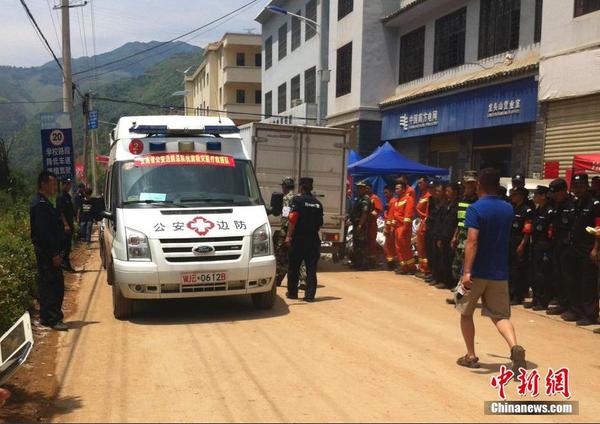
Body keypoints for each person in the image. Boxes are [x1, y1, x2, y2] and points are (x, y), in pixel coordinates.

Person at [455, 167, 526, 373]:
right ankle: (515, 347)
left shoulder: (475, 209)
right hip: (499, 272)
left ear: (479, 186)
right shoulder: (508, 209)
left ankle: (470, 355)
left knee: (466, 313)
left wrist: (467, 272)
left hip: (476, 272)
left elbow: (472, 241)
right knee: (500, 316)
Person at [30, 171, 68, 331]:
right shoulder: (40, 205)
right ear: (43, 184)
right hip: (47, 254)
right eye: (52, 184)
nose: (55, 187)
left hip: (50, 252)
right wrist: (54, 254)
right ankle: (51, 318)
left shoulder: (44, 202)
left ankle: (48, 316)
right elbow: (44, 233)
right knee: (53, 286)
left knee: (50, 285)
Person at [561, 173, 600, 326]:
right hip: (574, 247)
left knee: (588, 282)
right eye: (575, 186)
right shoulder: (575, 203)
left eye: (581, 186)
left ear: (586, 186)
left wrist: (596, 249)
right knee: (574, 280)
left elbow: (598, 228)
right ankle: (576, 310)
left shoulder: (595, 204)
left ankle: (589, 314)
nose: (577, 189)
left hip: (588, 248)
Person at [285, 177, 324, 302]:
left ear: (301, 187)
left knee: (294, 267)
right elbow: (320, 223)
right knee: (311, 268)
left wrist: (289, 236)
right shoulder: (318, 204)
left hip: (298, 239)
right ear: (311, 187)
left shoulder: (297, 201)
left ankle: (292, 293)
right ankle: (309, 295)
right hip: (313, 239)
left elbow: (292, 219)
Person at [546, 178, 575, 316]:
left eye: (556, 193)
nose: (554, 196)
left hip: (568, 246)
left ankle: (570, 306)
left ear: (564, 191)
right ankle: (562, 303)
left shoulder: (572, 204)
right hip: (557, 244)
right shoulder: (557, 204)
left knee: (568, 277)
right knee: (558, 275)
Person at [451, 171, 479, 283]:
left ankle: (463, 293)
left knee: (467, 264)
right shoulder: (462, 199)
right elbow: (460, 221)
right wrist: (455, 236)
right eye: (468, 183)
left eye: (472, 183)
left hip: (472, 235)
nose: (470, 186)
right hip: (462, 235)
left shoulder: (478, 200)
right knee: (457, 264)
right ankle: (459, 290)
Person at [508, 187, 534, 306]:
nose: (512, 197)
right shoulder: (512, 208)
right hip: (510, 240)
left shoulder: (526, 210)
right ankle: (510, 293)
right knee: (510, 269)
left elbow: (527, 229)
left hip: (520, 241)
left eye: (515, 195)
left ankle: (518, 295)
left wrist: (522, 244)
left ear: (521, 196)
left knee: (518, 269)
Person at [529, 186, 553, 311]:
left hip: (544, 246)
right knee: (535, 273)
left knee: (542, 274)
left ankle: (543, 301)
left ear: (543, 196)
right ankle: (536, 299)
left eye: (537, 194)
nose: (534, 197)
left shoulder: (549, 211)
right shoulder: (537, 210)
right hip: (536, 244)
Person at [435, 183, 459, 290]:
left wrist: (455, 236)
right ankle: (445, 281)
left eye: (449, 191)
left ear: (455, 192)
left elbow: (458, 223)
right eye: (446, 191)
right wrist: (439, 237)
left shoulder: (458, 205)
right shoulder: (446, 205)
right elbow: (442, 222)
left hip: (452, 236)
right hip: (444, 235)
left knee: (452, 260)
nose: (447, 193)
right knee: (444, 259)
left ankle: (452, 282)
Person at [274, 177, 296, 286]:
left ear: (285, 187)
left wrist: (285, 233)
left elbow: (286, 215)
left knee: (281, 254)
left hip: (286, 230)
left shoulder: (287, 198)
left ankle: (278, 278)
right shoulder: (296, 197)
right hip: (295, 230)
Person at [394, 181, 416, 275]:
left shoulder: (408, 199)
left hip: (403, 227)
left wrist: (405, 228)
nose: (396, 190)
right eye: (395, 188)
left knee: (405, 248)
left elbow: (408, 215)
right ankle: (403, 266)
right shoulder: (397, 200)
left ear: (403, 189)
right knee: (399, 248)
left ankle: (411, 267)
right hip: (397, 227)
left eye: (398, 188)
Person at [350, 181, 372, 270]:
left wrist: (360, 225)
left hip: (361, 225)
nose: (359, 189)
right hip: (356, 224)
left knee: (361, 245)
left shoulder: (365, 199)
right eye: (358, 187)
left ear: (364, 189)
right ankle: (357, 263)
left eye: (361, 188)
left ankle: (362, 265)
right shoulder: (358, 198)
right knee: (356, 245)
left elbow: (364, 213)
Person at [56, 178, 76, 272]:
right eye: (67, 185)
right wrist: (65, 225)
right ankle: (64, 264)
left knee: (68, 246)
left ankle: (65, 264)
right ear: (63, 185)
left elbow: (70, 210)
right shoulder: (60, 197)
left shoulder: (67, 196)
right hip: (64, 226)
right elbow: (60, 212)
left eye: (70, 185)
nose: (69, 187)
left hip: (70, 223)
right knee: (65, 246)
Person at [424, 180, 441, 283]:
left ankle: (436, 275)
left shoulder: (441, 201)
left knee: (436, 254)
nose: (431, 191)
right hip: (430, 228)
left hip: (436, 229)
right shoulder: (430, 199)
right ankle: (431, 272)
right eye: (430, 188)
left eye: (433, 188)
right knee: (429, 252)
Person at [415, 177, 431, 278]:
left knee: (424, 247)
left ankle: (426, 269)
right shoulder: (422, 196)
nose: (419, 185)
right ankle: (421, 267)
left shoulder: (428, 196)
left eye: (421, 183)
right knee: (420, 247)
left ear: (426, 183)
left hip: (425, 222)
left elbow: (428, 213)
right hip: (421, 222)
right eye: (418, 183)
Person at [366, 182, 383, 268]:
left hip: (371, 223)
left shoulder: (374, 198)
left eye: (368, 188)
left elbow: (378, 210)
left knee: (371, 242)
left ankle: (372, 262)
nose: (367, 190)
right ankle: (365, 259)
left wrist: (369, 215)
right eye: (365, 188)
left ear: (371, 189)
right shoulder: (364, 198)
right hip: (364, 224)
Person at [383, 185, 397, 270]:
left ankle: (391, 264)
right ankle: (390, 262)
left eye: (386, 192)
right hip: (389, 225)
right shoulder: (388, 201)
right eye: (384, 193)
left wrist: (388, 228)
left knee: (390, 246)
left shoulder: (392, 201)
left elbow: (391, 216)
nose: (385, 194)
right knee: (388, 246)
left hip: (391, 226)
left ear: (391, 192)